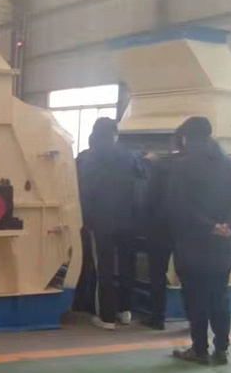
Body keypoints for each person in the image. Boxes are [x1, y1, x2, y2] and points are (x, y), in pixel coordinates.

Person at [167, 116, 231, 364]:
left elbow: (179, 206)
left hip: (193, 244)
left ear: (186, 138)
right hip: (223, 243)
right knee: (220, 297)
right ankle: (222, 349)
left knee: (195, 298)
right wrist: (229, 225)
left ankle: (199, 349)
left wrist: (209, 225)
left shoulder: (182, 167)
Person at [76, 118, 145, 330]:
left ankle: (106, 317)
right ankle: (125, 311)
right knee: (126, 265)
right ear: (115, 134)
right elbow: (142, 178)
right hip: (128, 220)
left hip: (100, 221)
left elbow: (80, 189)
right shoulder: (130, 156)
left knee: (103, 267)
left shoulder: (86, 158)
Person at [142, 124, 187, 330]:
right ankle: (194, 317)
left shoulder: (162, 165)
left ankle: (157, 317)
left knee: (157, 273)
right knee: (187, 274)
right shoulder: (198, 166)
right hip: (187, 227)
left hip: (160, 227)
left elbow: (150, 197)